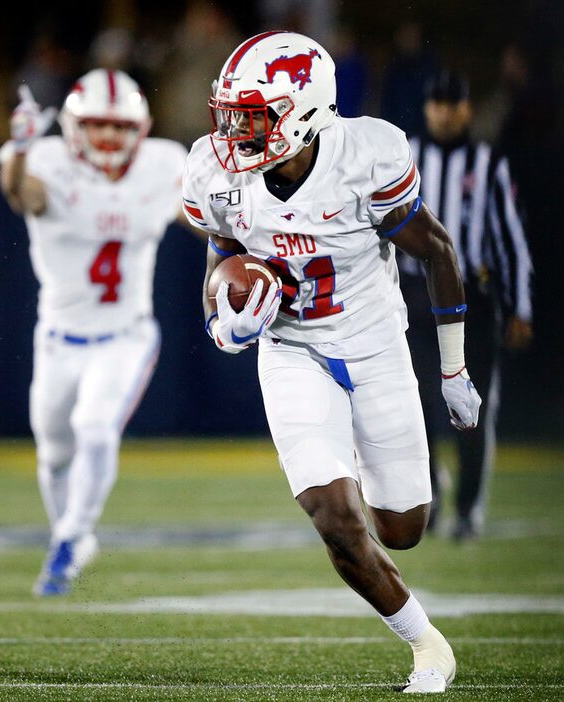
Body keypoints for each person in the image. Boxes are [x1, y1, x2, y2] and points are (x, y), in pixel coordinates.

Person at [183, 31, 482, 693]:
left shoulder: (367, 155)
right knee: (336, 519)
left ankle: (395, 496)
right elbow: (222, 258)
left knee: (401, 530)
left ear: (307, 112)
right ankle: (427, 645)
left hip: (375, 344)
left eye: (253, 117)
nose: (234, 131)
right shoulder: (216, 171)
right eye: (231, 114)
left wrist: (453, 371)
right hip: (292, 351)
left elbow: (436, 254)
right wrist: (222, 318)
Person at [0, 69, 189, 596]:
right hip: (58, 337)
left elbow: (201, 217)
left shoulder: (163, 165)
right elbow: (22, 195)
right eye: (98, 126)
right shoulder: (45, 160)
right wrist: (18, 147)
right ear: (74, 126)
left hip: (125, 334)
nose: (108, 139)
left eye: (119, 127)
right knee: (55, 452)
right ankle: (73, 536)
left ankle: (69, 538)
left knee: (96, 426)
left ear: (142, 129)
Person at [399, 70, 533, 539]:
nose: (444, 111)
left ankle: (468, 508)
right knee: (415, 405)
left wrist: (520, 307)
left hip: (473, 296)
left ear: (466, 109)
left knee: (471, 407)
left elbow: (510, 237)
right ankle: (429, 496)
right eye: (436, 102)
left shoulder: (487, 161)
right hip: (415, 296)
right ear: (426, 107)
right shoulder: (405, 157)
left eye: (452, 103)